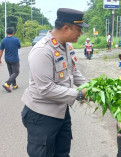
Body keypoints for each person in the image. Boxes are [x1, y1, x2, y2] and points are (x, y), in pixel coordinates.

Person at [21, 8, 89, 157]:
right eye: (79, 29)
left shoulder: (67, 46)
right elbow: (45, 89)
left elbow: (73, 72)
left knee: (62, 153)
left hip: (61, 111)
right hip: (41, 115)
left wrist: (91, 88)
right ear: (66, 28)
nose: (81, 33)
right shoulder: (42, 50)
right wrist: (78, 94)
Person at [0, 27, 21, 92]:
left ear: (6, 33)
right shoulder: (16, 40)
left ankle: (14, 85)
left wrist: (0, 59)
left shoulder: (3, 40)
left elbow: (1, 51)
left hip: (7, 59)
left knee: (11, 72)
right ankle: (7, 83)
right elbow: (19, 47)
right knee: (16, 72)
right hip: (14, 59)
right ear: (13, 33)